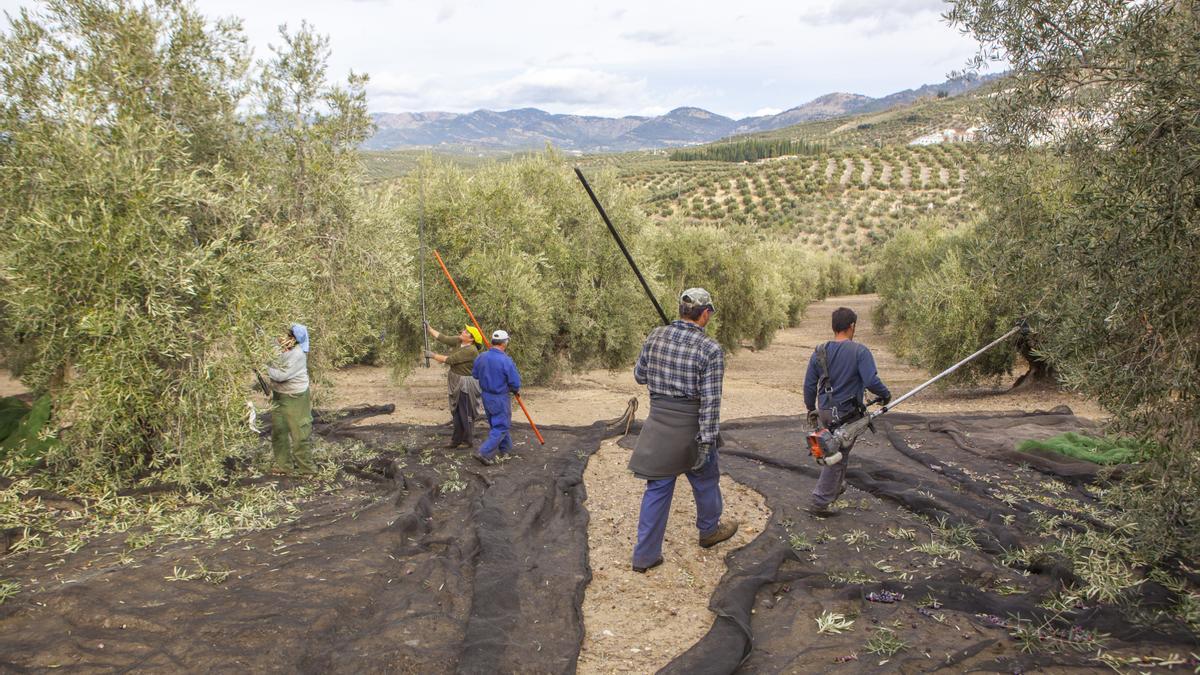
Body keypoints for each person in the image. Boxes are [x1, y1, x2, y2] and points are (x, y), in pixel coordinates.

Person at [628, 288, 739, 574]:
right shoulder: (710, 349)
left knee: (657, 488)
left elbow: (640, 376)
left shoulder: (656, 336)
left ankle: (644, 556)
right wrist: (705, 442)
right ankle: (709, 531)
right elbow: (711, 402)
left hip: (659, 428)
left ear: (680, 311)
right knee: (705, 479)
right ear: (705, 314)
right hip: (691, 429)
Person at [802, 307, 891, 515]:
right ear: (852, 326)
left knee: (839, 449)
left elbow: (809, 385)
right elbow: (871, 381)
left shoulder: (819, 352)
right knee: (836, 453)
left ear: (834, 327)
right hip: (846, 413)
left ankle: (836, 486)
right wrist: (885, 395)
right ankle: (820, 501)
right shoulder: (860, 351)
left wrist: (810, 408)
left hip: (824, 410)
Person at [424, 322, 484, 449]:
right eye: (464, 330)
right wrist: (429, 329)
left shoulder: (471, 350)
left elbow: (451, 359)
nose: (463, 331)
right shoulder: (459, 341)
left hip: (466, 385)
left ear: (472, 339)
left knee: (465, 412)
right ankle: (456, 440)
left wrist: (432, 355)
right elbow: (444, 338)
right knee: (456, 412)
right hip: (456, 381)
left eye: (467, 332)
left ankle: (467, 441)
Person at [267, 323, 316, 476]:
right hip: (279, 395)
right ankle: (284, 466)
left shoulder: (298, 354)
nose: (281, 338)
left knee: (300, 433)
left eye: (287, 336)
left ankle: (306, 469)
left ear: (293, 339)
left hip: (296, 397)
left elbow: (280, 375)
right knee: (279, 431)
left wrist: (264, 364)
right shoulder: (279, 347)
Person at [470, 329, 522, 466]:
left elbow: (475, 374)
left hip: (486, 396)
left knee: (496, 423)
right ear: (504, 343)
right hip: (500, 397)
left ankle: (506, 449)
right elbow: (515, 382)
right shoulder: (506, 360)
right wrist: (515, 390)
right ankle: (483, 452)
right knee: (501, 426)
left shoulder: (481, 357)